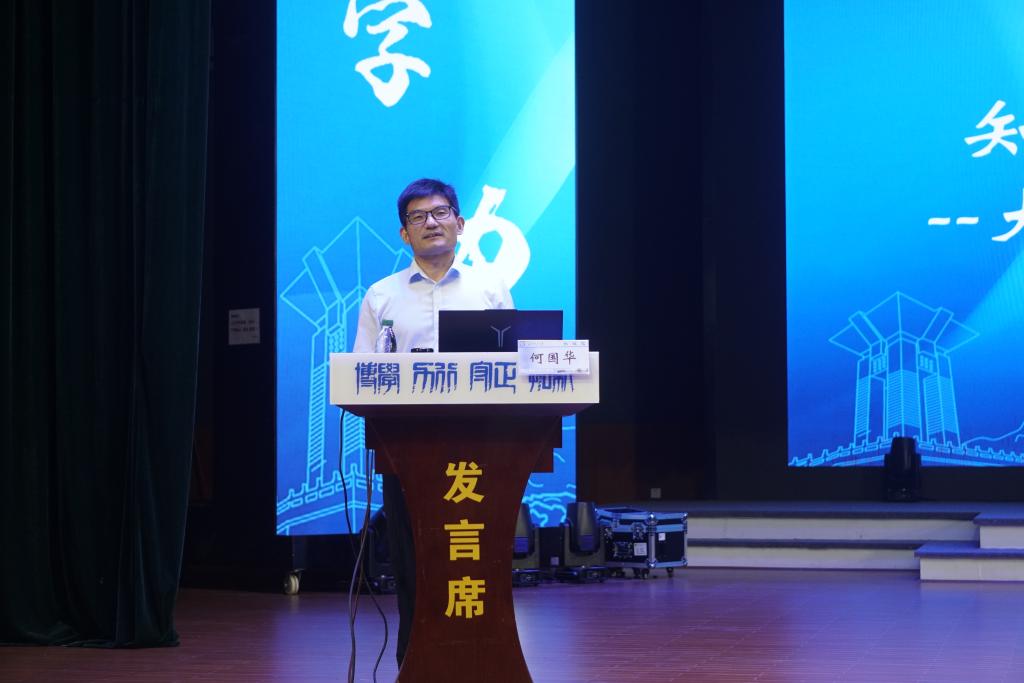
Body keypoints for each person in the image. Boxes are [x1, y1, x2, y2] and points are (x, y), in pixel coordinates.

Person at [352, 178, 514, 666]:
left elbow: (515, 367)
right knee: (413, 556)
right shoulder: (381, 296)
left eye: (441, 213)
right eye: (418, 217)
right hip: (407, 453)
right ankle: (414, 660)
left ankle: (482, 658)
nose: (431, 223)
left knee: (477, 556)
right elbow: (362, 373)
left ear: (460, 223)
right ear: (405, 234)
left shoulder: (490, 288)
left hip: (483, 451)